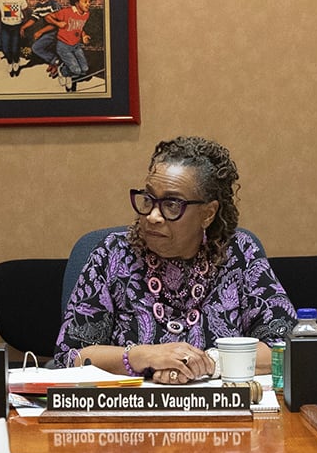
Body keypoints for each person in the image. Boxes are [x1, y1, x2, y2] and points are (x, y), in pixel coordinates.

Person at [56, 135, 298, 382]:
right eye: (148, 199)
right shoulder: (112, 255)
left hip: (219, 412)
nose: (153, 216)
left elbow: (287, 348)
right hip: (130, 411)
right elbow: (70, 356)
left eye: (171, 204)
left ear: (207, 213)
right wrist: (142, 356)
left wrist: (208, 362)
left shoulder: (239, 254)